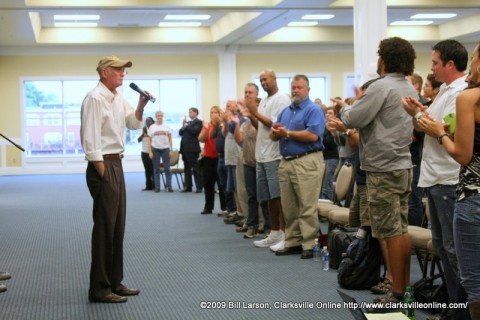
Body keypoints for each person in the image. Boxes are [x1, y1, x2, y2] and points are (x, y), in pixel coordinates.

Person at [336, 37, 417, 310]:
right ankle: (403, 290)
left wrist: (345, 105)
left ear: (385, 59)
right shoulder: (408, 86)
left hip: (382, 168)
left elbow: (352, 119)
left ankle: (396, 294)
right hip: (402, 165)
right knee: (400, 230)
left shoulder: (381, 87)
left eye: (379, 54)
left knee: (389, 232)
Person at [404, 41, 480, 320]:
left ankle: (460, 312)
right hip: (439, 178)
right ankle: (454, 308)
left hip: (454, 181)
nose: (431, 68)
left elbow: (449, 137)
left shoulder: (464, 93)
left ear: (450, 64)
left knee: (457, 255)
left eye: (435, 62)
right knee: (446, 250)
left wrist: (430, 125)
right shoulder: (448, 91)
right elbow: (429, 125)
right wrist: (419, 115)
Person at [80, 55, 147, 303]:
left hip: (116, 163)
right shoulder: (95, 98)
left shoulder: (117, 97)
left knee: (117, 228)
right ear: (104, 72)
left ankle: (114, 282)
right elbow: (90, 140)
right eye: (118, 69)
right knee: (105, 229)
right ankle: (99, 289)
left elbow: (132, 123)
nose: (123, 73)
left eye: (124, 70)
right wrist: (104, 173)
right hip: (103, 165)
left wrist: (140, 105)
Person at [270, 74, 325, 259]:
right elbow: (274, 135)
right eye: (293, 87)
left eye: (299, 87)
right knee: (289, 205)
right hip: (286, 161)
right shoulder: (285, 111)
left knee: (306, 204)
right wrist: (277, 134)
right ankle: (293, 240)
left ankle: (309, 244)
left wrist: (287, 133)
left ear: (308, 89)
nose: (295, 90)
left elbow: (313, 135)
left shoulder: (313, 109)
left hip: (307, 160)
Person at [245, 69, 291, 251]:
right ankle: (275, 232)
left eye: (266, 79)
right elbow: (261, 127)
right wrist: (252, 116)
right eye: (261, 80)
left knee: (278, 196)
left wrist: (254, 112)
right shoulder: (264, 101)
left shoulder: (282, 99)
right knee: (267, 198)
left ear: (274, 79)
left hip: (274, 154)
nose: (263, 83)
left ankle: (286, 234)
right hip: (261, 155)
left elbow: (276, 125)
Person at [231, 83, 271, 238]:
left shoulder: (259, 120)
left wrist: (249, 114)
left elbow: (261, 128)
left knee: (265, 197)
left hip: (261, 161)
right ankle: (252, 225)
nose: (247, 95)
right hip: (248, 162)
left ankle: (268, 226)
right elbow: (239, 140)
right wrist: (236, 124)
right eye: (245, 92)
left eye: (250, 93)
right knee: (251, 196)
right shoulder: (246, 123)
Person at [198, 106, 226, 214]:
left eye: (215, 112)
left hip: (219, 158)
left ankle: (224, 207)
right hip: (208, 159)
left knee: (222, 184)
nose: (213, 114)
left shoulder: (223, 126)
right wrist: (205, 128)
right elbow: (201, 139)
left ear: (220, 114)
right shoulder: (208, 126)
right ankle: (208, 207)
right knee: (208, 184)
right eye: (211, 112)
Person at [179, 107, 203, 193]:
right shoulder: (188, 123)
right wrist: (183, 126)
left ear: (196, 113)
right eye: (189, 112)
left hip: (192, 149)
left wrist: (186, 126)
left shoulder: (199, 122)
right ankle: (188, 186)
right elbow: (180, 133)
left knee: (195, 168)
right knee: (187, 168)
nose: (189, 113)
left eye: (191, 112)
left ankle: (199, 187)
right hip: (184, 148)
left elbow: (194, 131)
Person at [149, 111, 173, 193]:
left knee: (167, 169)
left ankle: (169, 186)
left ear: (163, 117)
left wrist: (171, 149)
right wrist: (150, 151)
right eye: (158, 116)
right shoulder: (152, 127)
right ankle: (157, 187)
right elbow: (150, 140)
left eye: (161, 116)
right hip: (155, 149)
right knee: (156, 169)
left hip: (165, 149)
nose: (160, 117)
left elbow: (170, 139)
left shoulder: (167, 127)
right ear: (156, 117)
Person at [321, 107, 339, 201]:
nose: (328, 115)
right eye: (326, 113)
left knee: (327, 184)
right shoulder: (324, 126)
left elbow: (331, 143)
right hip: (324, 158)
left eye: (330, 113)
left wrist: (329, 131)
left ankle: (328, 203)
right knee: (323, 184)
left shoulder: (335, 126)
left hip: (332, 158)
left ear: (335, 115)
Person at [138, 117, 154, 191]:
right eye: (147, 121)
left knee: (152, 169)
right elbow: (138, 140)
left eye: (149, 121)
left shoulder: (154, 129)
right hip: (144, 152)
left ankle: (154, 185)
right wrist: (143, 134)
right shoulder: (144, 129)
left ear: (152, 121)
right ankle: (148, 186)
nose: (148, 122)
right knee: (147, 169)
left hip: (152, 152)